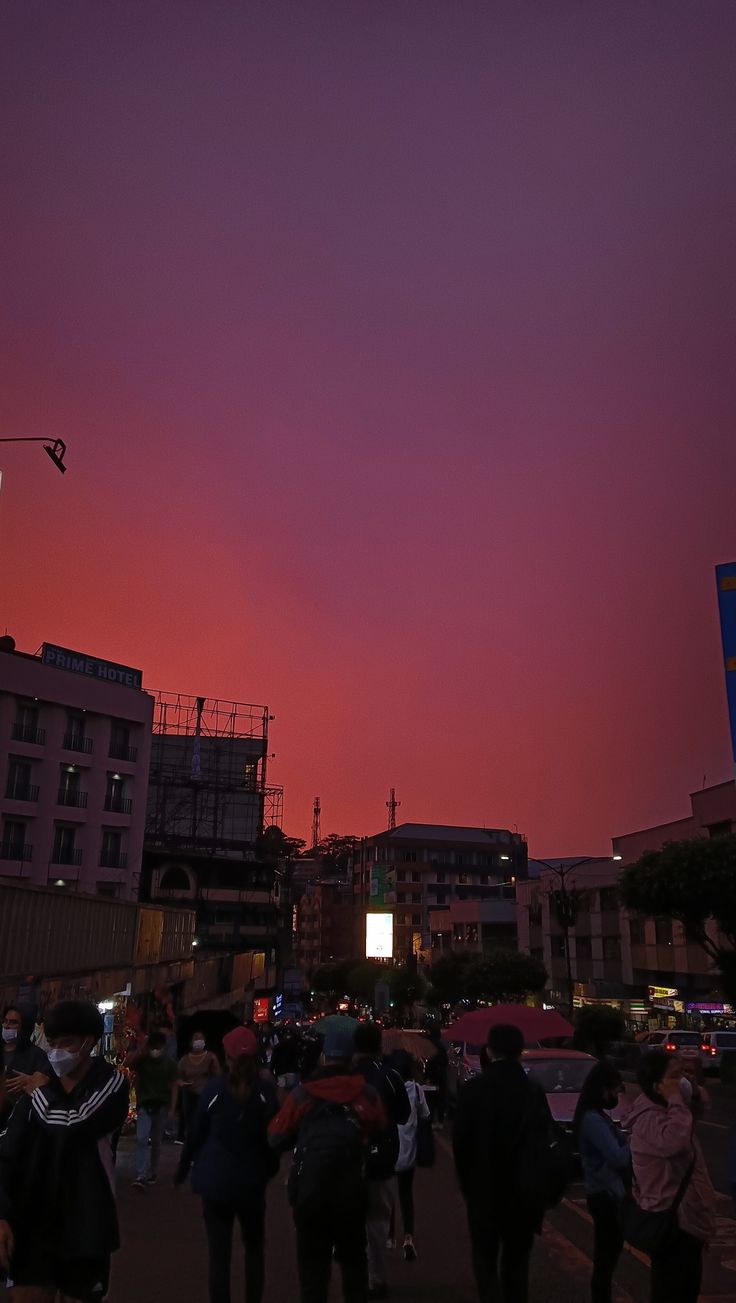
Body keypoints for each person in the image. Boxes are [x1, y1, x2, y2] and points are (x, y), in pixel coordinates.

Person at [0, 999, 129, 1301]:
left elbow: (73, 1123)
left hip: (84, 1226)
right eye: (53, 1042)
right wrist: (3, 1215)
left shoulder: (109, 1083)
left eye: (67, 1043)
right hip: (32, 1227)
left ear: (90, 1042)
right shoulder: (43, 1083)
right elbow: (7, 1152)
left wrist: (38, 1090)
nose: (57, 1051)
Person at [269, 1021, 386, 1303]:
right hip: (350, 1193)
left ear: (324, 1056)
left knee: (313, 1275)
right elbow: (381, 1131)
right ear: (352, 1058)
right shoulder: (366, 1094)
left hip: (310, 1193)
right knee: (354, 1270)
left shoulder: (303, 1094)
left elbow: (275, 1139)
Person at [175, 1026, 278, 1303]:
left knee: (219, 1257)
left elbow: (196, 1134)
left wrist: (183, 1170)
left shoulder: (215, 1090)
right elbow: (275, 1139)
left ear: (226, 1055)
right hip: (251, 1183)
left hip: (216, 1182)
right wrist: (268, 1169)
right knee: (254, 1251)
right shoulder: (265, 1092)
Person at [453, 1022, 554, 1303]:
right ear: (521, 1052)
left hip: (484, 1192)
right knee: (517, 1265)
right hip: (524, 1194)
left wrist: (469, 1188)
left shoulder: (473, 1090)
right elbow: (545, 1142)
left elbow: (461, 1146)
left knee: (484, 1262)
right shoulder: (533, 1091)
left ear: (489, 1050)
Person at [627, 1050, 716, 1303]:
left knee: (685, 1290)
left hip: (684, 1221)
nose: (681, 1082)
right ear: (657, 1085)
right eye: (675, 1076)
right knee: (672, 1292)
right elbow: (674, 1142)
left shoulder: (668, 1108)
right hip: (671, 1222)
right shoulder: (649, 1118)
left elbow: (698, 1112)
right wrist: (677, 1100)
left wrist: (693, 1090)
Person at [353, 1023, 411, 1300]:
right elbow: (403, 1115)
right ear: (379, 1046)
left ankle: (354, 1278)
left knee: (351, 1221)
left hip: (348, 1159)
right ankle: (376, 1279)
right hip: (382, 1158)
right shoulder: (390, 1077)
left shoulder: (344, 1076)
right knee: (377, 1222)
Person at [572, 1062, 630, 1303]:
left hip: (603, 1193)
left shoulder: (596, 1116)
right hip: (605, 1195)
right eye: (615, 1089)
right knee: (606, 1259)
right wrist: (634, 1143)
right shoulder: (593, 1120)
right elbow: (616, 1157)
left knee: (607, 1257)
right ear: (602, 1089)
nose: (617, 1095)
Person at [389, 1050, 430, 1263]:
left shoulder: (385, 1085)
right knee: (406, 1194)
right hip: (409, 1149)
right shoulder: (415, 1089)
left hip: (389, 1149)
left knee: (387, 1194)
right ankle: (408, 1237)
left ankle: (388, 1236)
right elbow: (425, 1115)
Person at [126, 1029, 178, 1190]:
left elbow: (174, 1086)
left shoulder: (169, 1063)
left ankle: (152, 1171)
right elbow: (128, 1063)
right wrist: (141, 1050)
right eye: (153, 1046)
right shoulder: (143, 1059)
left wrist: (172, 1107)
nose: (155, 1049)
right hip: (145, 1105)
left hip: (161, 1105)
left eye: (158, 1046)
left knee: (156, 1142)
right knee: (142, 1139)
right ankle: (141, 1174)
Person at [1, 1005, 50, 1108]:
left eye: (13, 1022)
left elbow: (46, 1088)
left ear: (25, 1027)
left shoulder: (37, 1056)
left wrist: (32, 1081)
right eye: (5, 1021)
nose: (6, 1026)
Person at [177, 1028, 220, 1142]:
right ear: (191, 1042)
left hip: (205, 1094)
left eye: (200, 1038)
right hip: (189, 1093)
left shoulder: (211, 1057)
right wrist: (181, 1083)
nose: (198, 1041)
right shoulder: (184, 1060)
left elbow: (218, 1075)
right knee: (190, 1120)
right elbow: (177, 1077)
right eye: (196, 1038)